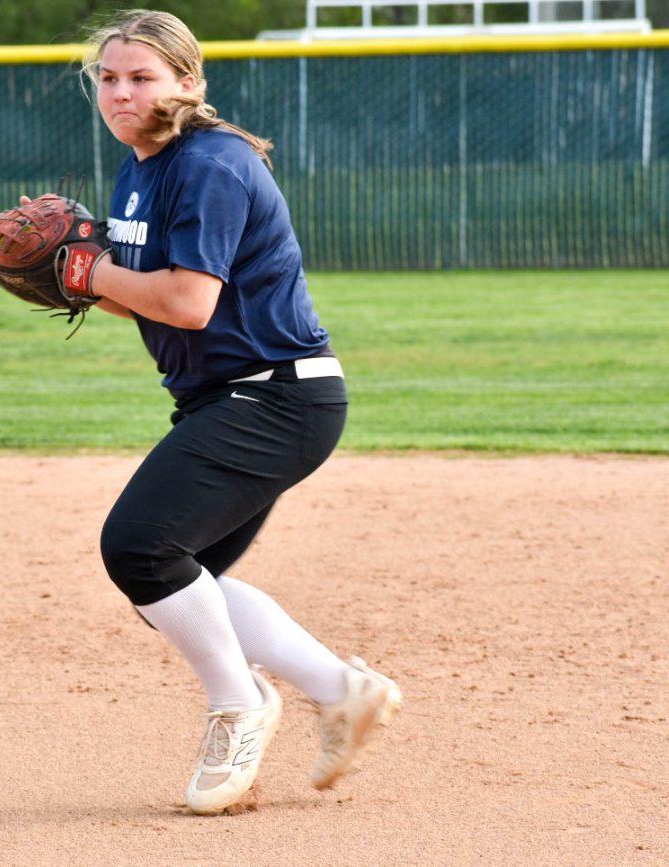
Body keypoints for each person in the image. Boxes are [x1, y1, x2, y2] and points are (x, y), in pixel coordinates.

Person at [60, 9, 403, 815]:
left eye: (141, 76)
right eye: (108, 77)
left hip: (277, 395)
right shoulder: (143, 167)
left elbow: (185, 300)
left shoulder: (210, 162)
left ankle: (239, 705)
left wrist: (94, 271)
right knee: (182, 582)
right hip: (240, 396)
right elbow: (153, 300)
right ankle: (343, 690)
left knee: (140, 547)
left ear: (187, 82)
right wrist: (78, 277)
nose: (120, 91)